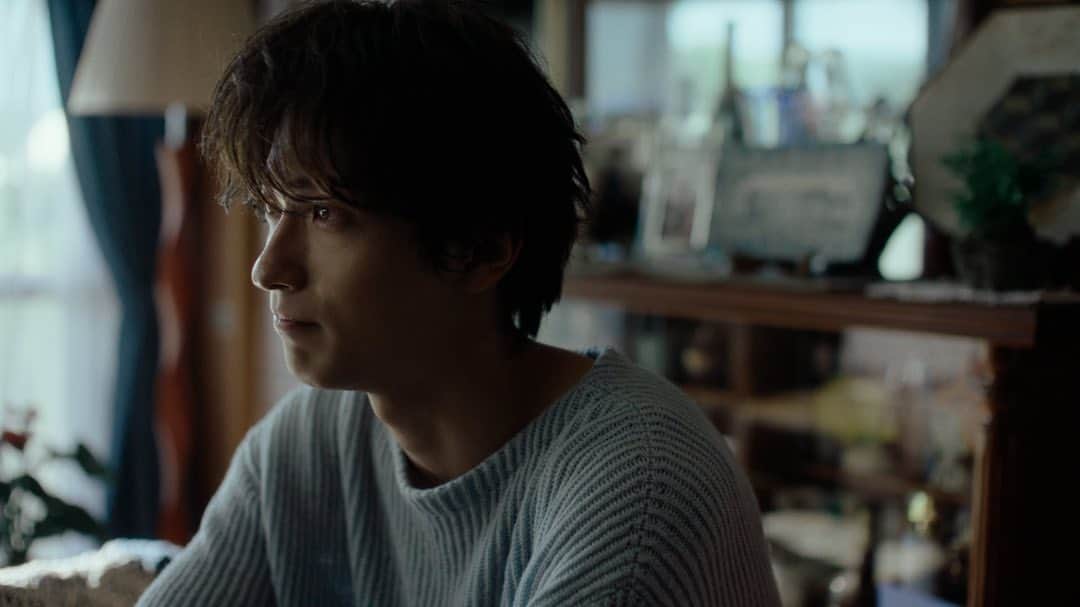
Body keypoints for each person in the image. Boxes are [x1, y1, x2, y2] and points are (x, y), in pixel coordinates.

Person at [137, 1, 780, 605]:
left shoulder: (638, 493)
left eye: (325, 214)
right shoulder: (314, 441)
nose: (267, 269)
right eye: (271, 210)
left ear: (479, 248)